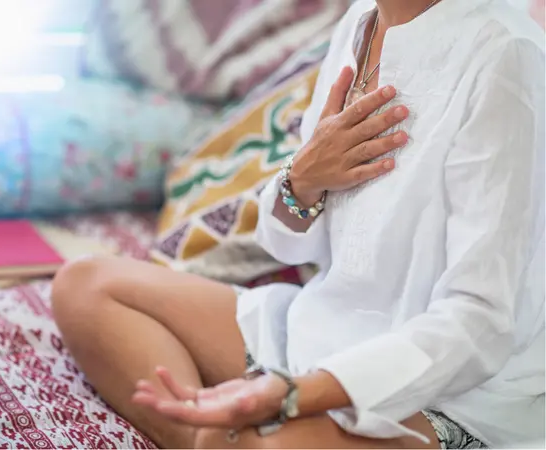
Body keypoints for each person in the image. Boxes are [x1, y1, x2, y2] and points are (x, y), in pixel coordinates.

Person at [51, 0, 545, 448]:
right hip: (324, 330)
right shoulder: (359, 23)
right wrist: (302, 180)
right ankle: (215, 436)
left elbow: (480, 322)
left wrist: (295, 395)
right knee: (88, 284)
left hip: (455, 390)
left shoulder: (507, 54)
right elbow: (291, 245)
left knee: (266, 444)